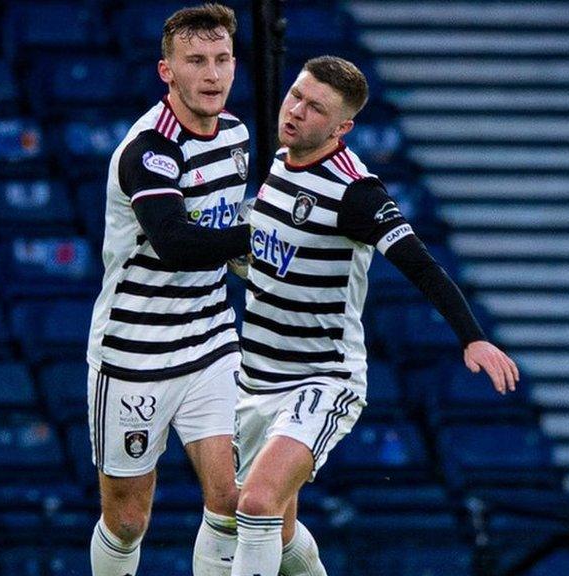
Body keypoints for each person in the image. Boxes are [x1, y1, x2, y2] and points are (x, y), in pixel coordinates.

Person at [230, 56, 520, 576]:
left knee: (255, 505)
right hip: (256, 378)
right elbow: (268, 265)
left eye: (314, 108)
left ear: (343, 127)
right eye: (296, 94)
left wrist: (471, 337)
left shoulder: (356, 192)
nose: (294, 110)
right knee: (278, 528)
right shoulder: (278, 161)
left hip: (321, 379)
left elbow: (422, 265)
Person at [85, 4, 252, 575]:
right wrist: (258, 237)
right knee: (128, 520)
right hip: (135, 352)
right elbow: (177, 242)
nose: (212, 74)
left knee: (233, 501)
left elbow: (227, 236)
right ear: (167, 71)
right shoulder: (148, 150)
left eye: (222, 59)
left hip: (211, 340)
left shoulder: (236, 134)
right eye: (196, 61)